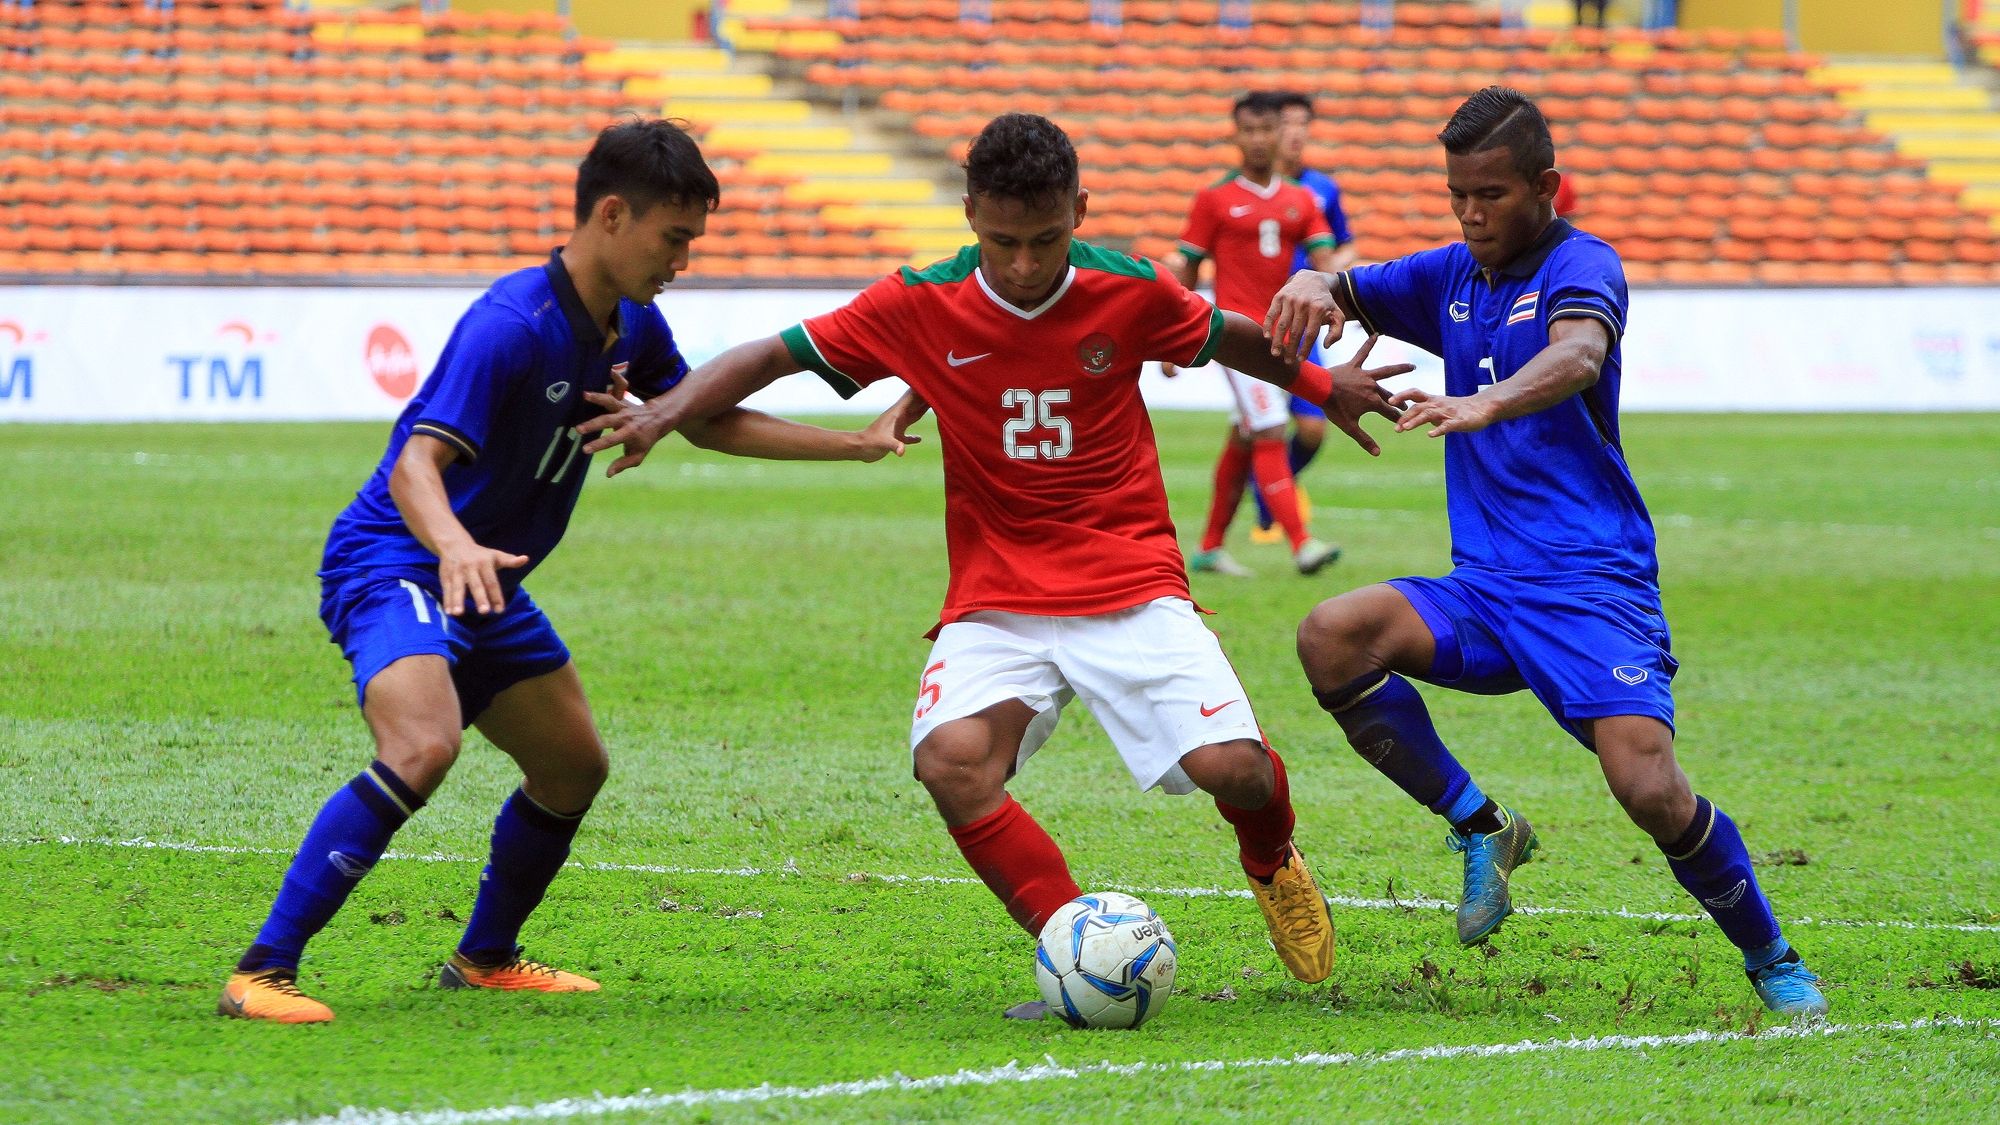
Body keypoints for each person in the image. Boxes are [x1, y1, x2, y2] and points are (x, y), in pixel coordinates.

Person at [577, 112, 1409, 990]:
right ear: (970, 212)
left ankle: (1271, 855)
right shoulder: (916, 299)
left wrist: (1327, 384)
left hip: (1127, 572)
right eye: (1002, 240)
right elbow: (767, 357)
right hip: (996, 591)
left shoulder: (1128, 288)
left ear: (1080, 210)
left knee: (1232, 768)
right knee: (952, 762)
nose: (1022, 265)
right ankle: (1074, 944)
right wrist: (662, 413)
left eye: (1045, 240)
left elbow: (1226, 337)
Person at [219, 119, 914, 1024]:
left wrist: (853, 446)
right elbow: (414, 466)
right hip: (396, 557)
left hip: (487, 578)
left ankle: (485, 957)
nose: (682, 260)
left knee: (572, 767)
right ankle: (261, 970)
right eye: (675, 239)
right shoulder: (510, 326)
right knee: (423, 746)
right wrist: (455, 546)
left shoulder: (632, 322)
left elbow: (698, 415)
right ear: (614, 215)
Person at [1264, 86, 1829, 1017]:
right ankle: (1481, 826)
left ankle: (1770, 954)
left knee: (1648, 787)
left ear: (1546, 185)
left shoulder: (1582, 263)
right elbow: (1347, 284)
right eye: (1457, 196)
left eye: (1491, 195)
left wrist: (1483, 402)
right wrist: (1311, 285)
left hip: (1590, 584)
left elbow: (1578, 355)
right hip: (1486, 591)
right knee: (1333, 633)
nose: (1473, 215)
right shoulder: (1450, 274)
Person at [1166, 91, 1343, 579]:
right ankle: (1302, 544)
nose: (1259, 140)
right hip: (1234, 335)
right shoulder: (1214, 198)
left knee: (1247, 435)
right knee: (1268, 428)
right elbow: (1188, 267)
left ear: (1279, 135)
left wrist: (1335, 306)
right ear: (1235, 135)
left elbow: (1325, 262)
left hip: (1283, 334)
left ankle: (1208, 547)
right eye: (1250, 130)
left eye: (1268, 130)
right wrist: (1171, 340)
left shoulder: (1300, 200)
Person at [1246, 90, 1361, 547]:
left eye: (1301, 123)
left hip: (1303, 318)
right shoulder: (1245, 189)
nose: (1295, 132)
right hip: (1253, 316)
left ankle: (1272, 494)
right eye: (1286, 122)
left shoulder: (1320, 190)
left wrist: (1333, 280)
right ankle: (1264, 519)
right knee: (1255, 428)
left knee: (1311, 428)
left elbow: (1341, 244)